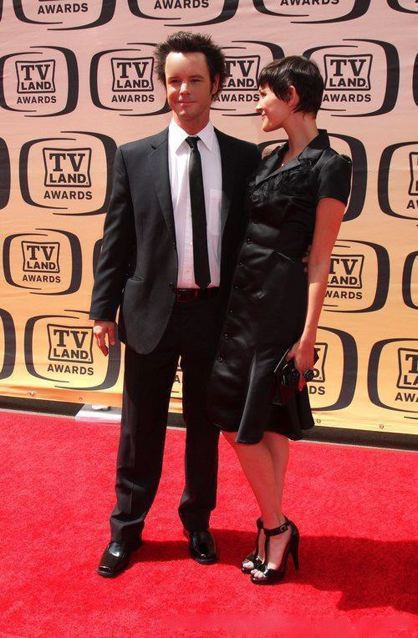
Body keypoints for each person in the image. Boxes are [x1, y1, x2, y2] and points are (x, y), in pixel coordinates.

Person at [89, 31, 260, 577]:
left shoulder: (244, 158)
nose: (182, 90)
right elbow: (116, 240)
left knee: (205, 428)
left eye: (194, 80)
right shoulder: (134, 157)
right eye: (173, 81)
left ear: (217, 85)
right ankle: (127, 529)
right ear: (164, 86)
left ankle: (198, 523)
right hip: (148, 315)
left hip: (215, 315)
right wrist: (102, 310)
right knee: (140, 428)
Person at [207, 56, 352, 584]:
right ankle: (275, 526)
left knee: (242, 427)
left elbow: (320, 256)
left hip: (281, 310)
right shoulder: (267, 158)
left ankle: (275, 526)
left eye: (265, 94)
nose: (258, 105)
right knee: (260, 423)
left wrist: (308, 335)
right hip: (242, 303)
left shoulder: (330, 165)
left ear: (291, 95)